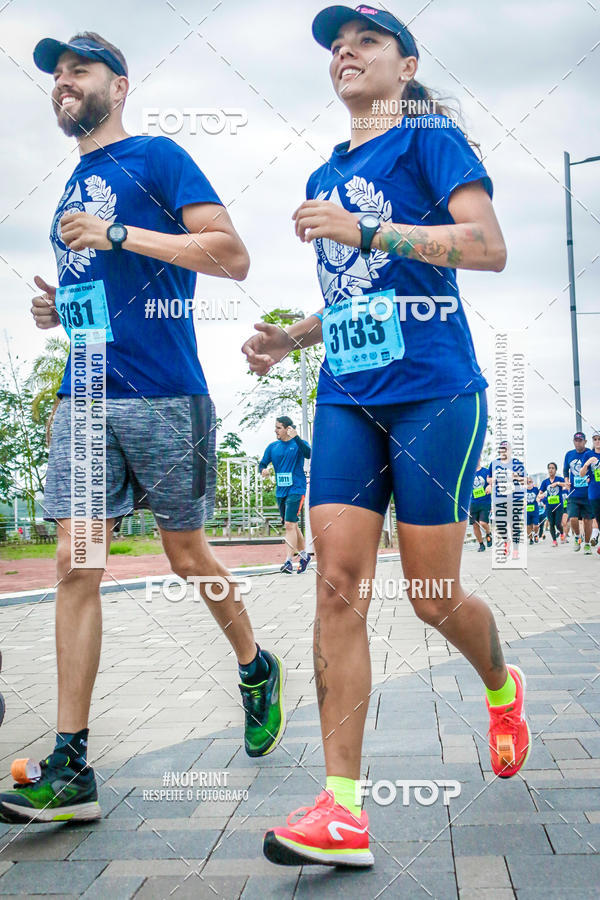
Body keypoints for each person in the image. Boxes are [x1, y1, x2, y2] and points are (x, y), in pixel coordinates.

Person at [242, 5, 530, 869]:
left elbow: (487, 246)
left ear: (406, 64)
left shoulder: (430, 137)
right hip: (345, 398)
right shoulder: (329, 167)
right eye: (337, 44)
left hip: (436, 394)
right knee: (336, 586)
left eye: (366, 40)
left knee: (433, 594)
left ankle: (500, 683)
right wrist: (289, 338)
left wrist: (369, 228)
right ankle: (341, 811)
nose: (346, 53)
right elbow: (359, 294)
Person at [0, 32, 286, 825]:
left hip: (165, 396)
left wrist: (120, 234)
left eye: (78, 70)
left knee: (185, 550)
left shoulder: (158, 157)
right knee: (74, 560)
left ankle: (256, 665)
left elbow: (232, 256)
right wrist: (62, 310)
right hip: (85, 395)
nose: (63, 82)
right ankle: (71, 766)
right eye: (56, 74)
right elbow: (104, 291)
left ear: (117, 86)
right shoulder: (72, 184)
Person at [259, 416, 312, 573]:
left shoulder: (298, 444)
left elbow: (308, 454)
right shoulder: (272, 447)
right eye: (275, 427)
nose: (275, 430)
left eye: (278, 427)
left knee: (289, 524)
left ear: (288, 429)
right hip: (280, 491)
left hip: (296, 488)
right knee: (292, 524)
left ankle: (288, 561)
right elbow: (262, 463)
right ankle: (304, 556)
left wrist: (296, 438)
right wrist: (263, 470)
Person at [489, 441, 525, 559]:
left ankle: (515, 550)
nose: (503, 451)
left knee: (514, 524)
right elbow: (488, 479)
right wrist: (492, 481)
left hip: (515, 499)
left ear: (510, 450)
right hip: (499, 499)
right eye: (501, 449)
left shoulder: (517, 463)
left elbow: (525, 481)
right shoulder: (494, 464)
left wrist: (517, 477)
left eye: (506, 449)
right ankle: (506, 541)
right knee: (499, 524)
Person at [564, 431, 593, 554]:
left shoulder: (590, 454)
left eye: (580, 440)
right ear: (573, 441)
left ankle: (587, 544)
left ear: (585, 442)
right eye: (576, 440)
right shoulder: (569, 454)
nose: (578, 442)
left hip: (588, 493)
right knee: (573, 518)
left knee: (587, 521)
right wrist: (566, 481)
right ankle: (577, 536)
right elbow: (566, 470)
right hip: (573, 493)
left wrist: (590, 478)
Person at [580, 432, 600, 557]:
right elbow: (581, 474)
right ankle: (596, 536)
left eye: (599, 439)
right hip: (594, 492)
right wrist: (587, 463)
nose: (597, 441)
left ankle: (596, 538)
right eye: (595, 439)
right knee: (597, 517)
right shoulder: (588, 454)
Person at [538, 462, 566, 547]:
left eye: (553, 468)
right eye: (549, 468)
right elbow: (540, 493)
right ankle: (554, 541)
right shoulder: (545, 482)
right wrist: (540, 496)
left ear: (556, 470)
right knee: (551, 524)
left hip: (558, 505)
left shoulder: (560, 479)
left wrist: (557, 483)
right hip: (549, 506)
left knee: (558, 523)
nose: (551, 469)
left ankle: (561, 533)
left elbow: (567, 485)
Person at [470, 456, 492, 551]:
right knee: (475, 525)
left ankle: (488, 533)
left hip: (485, 502)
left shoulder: (486, 471)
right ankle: (481, 545)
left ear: (480, 459)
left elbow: (494, 481)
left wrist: (491, 485)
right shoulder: (469, 473)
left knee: (483, 523)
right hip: (473, 503)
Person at [525, 477, 540, 545]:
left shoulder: (536, 489)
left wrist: (539, 498)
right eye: (527, 482)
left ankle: (536, 534)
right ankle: (531, 539)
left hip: (535, 510)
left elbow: (540, 495)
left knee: (536, 525)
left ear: (532, 482)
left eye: (530, 482)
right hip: (527, 511)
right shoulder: (523, 490)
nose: (529, 483)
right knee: (528, 526)